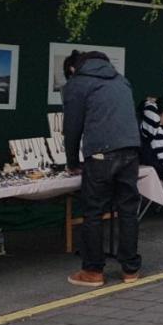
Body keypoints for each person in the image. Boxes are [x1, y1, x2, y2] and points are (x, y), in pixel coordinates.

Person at [61, 50, 142, 287]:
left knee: (94, 211)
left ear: (74, 69)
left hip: (100, 153)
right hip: (130, 150)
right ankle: (130, 270)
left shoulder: (78, 83)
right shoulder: (121, 80)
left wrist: (72, 163)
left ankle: (93, 271)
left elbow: (72, 127)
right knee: (127, 210)